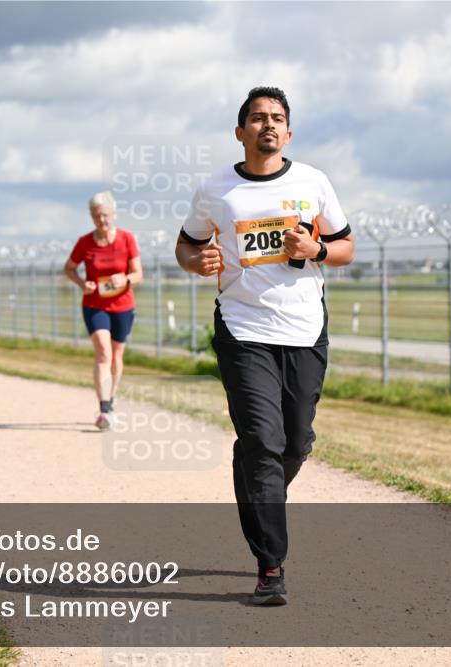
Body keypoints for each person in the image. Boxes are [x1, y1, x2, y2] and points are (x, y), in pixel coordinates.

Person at [176, 87, 355, 606]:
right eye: (257, 118)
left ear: (288, 133)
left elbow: (346, 247)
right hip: (242, 328)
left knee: (292, 445)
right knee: (261, 441)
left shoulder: (313, 182)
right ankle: (270, 568)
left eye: (276, 118)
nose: (267, 124)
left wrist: (316, 248)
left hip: (304, 329)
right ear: (241, 132)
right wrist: (197, 262)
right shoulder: (216, 189)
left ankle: (262, 484)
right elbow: (186, 245)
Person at [64, 191, 143, 430]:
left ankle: (111, 398)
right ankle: (105, 409)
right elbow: (69, 268)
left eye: (105, 215)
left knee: (117, 356)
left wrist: (125, 279)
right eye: (97, 216)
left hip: (123, 305)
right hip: (94, 305)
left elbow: (138, 274)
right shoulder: (84, 243)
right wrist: (82, 284)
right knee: (103, 353)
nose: (102, 220)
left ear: (114, 214)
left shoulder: (127, 239)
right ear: (91, 217)